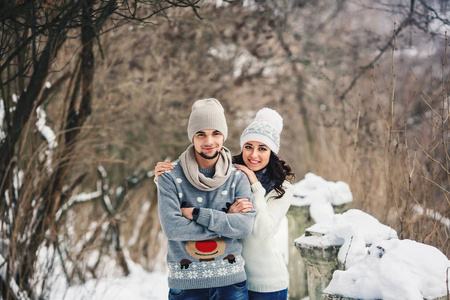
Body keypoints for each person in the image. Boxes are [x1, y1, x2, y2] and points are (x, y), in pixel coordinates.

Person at [156, 108, 295, 300]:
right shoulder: (231, 172)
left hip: (266, 280)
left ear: (272, 152)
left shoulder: (282, 188)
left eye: (262, 148)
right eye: (248, 146)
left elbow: (256, 231)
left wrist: (255, 186)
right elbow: (193, 179)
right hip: (236, 274)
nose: (253, 154)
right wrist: (163, 180)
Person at [156, 98, 256, 300]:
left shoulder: (237, 177)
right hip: (186, 285)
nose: (209, 141)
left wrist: (196, 214)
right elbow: (172, 228)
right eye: (201, 134)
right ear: (192, 137)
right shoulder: (169, 176)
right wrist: (226, 220)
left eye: (215, 133)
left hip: (231, 283)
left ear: (223, 136)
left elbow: (244, 227)